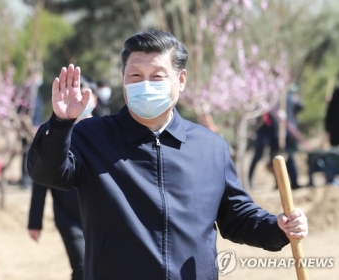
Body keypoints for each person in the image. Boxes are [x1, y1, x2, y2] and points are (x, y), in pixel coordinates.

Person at [27, 30, 308, 279]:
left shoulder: (210, 147)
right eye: (135, 75)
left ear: (181, 79)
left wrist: (277, 227)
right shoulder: (93, 136)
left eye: (157, 76)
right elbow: (46, 172)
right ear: (123, 79)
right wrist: (61, 124)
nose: (145, 85)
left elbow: (236, 217)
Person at [27, 76, 97, 280]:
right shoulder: (55, 133)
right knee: (82, 266)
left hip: (98, 213)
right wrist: (35, 221)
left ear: (94, 100)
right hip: (68, 215)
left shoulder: (106, 132)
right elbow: (40, 181)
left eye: (85, 94)